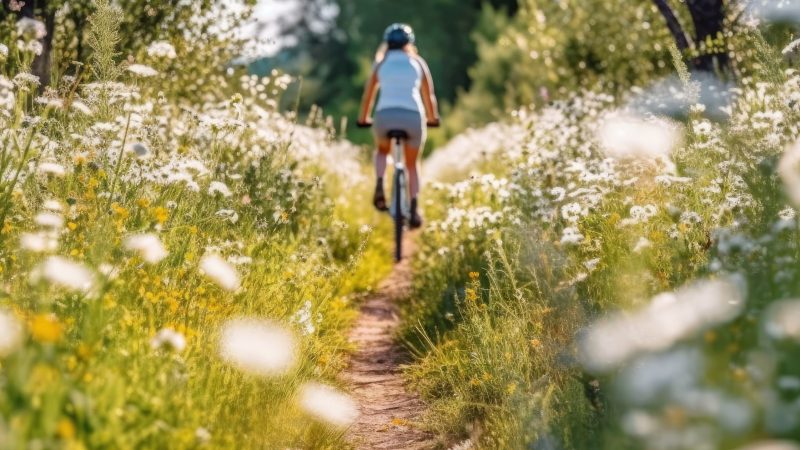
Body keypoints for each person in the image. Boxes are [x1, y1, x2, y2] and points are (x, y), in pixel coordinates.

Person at [357, 23, 440, 229]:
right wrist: (433, 118)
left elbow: (368, 95)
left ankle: (379, 182)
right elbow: (428, 96)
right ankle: (413, 208)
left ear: (388, 44)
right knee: (412, 165)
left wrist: (363, 118)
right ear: (409, 44)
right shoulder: (418, 62)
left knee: (381, 151)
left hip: (385, 116)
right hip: (412, 117)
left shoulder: (380, 63)